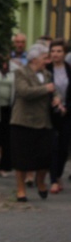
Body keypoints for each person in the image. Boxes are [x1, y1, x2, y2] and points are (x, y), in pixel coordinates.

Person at [11, 43, 60, 202]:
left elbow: (54, 90)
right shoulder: (20, 72)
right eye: (45, 58)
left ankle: (40, 181)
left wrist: (57, 98)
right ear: (34, 59)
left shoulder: (46, 74)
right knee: (22, 158)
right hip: (23, 121)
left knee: (45, 157)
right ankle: (20, 189)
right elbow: (24, 92)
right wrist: (46, 89)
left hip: (44, 121)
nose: (48, 61)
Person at [47, 39, 71, 194]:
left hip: (67, 113)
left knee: (64, 147)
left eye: (59, 51)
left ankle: (59, 173)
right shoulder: (46, 70)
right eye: (53, 51)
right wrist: (52, 102)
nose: (55, 54)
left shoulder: (69, 70)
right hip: (49, 112)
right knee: (53, 146)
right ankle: (53, 179)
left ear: (65, 53)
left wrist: (66, 107)